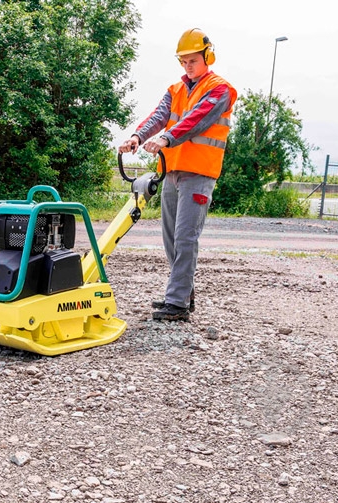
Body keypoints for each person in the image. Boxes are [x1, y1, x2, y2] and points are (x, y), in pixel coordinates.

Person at [119, 28, 237, 321]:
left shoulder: (219, 89)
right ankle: (184, 292)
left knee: (186, 237)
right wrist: (137, 136)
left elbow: (196, 119)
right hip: (171, 170)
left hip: (199, 173)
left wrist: (166, 139)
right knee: (171, 238)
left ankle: (178, 303)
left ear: (208, 57)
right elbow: (159, 116)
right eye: (183, 61)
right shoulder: (175, 90)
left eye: (193, 60)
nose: (187, 66)